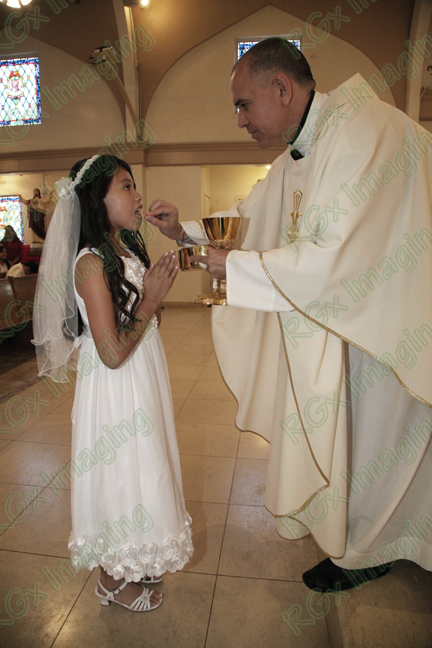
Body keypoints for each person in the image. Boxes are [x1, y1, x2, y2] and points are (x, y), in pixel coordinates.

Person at [145, 38, 432, 592]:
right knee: (355, 438)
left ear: (281, 88)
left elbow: (339, 255)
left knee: (380, 438)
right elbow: (248, 221)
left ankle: (373, 547)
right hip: (346, 323)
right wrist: (185, 232)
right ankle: (355, 533)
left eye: (243, 104)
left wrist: (236, 267)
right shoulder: (296, 155)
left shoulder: (364, 131)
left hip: (386, 329)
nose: (239, 120)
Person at [33, 154, 193, 612]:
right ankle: (110, 580)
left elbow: (144, 321)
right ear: (97, 199)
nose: (138, 196)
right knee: (120, 474)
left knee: (145, 467)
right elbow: (111, 352)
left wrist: (154, 296)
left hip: (142, 377)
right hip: (116, 384)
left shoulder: (125, 251)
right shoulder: (89, 263)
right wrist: (151, 300)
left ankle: (136, 556)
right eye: (126, 186)